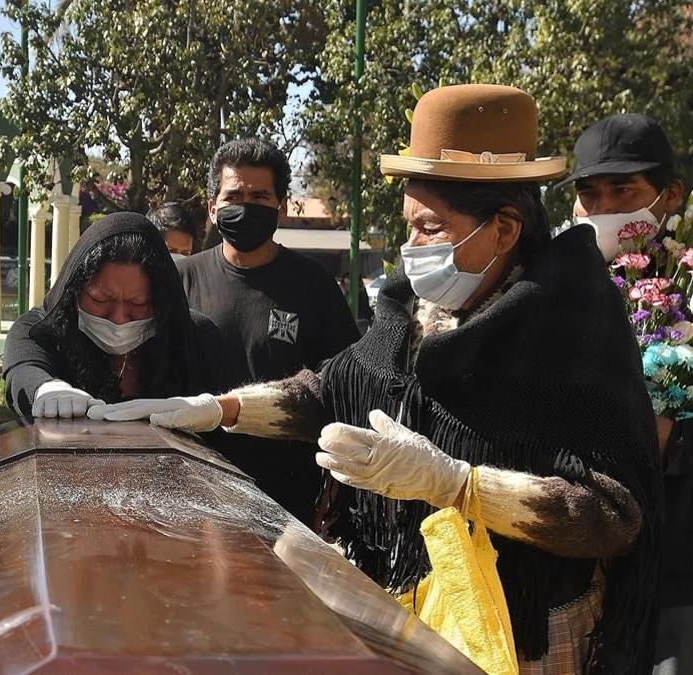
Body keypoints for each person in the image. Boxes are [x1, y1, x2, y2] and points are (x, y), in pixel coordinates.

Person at [99, 85, 661, 672]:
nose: (410, 248)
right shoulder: (405, 313)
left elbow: (610, 514)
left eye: (430, 228)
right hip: (412, 609)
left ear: (504, 229)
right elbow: (328, 390)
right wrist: (222, 409)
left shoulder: (572, 325)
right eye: (408, 226)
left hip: (527, 635)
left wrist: (457, 485)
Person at [558, 113, 690, 675]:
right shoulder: (560, 290)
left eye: (624, 189)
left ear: (671, 195)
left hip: (678, 564)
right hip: (583, 565)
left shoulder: (681, 288)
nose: (606, 207)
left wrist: (667, 433)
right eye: (590, 193)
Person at [172, 137, 360, 524]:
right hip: (193, 492)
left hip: (287, 500)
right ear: (212, 208)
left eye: (260, 197)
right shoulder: (179, 280)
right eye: (234, 196)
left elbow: (343, 383)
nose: (245, 207)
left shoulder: (313, 285)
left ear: (282, 207)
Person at [3, 211, 238, 419]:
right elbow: (23, 370)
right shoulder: (40, 330)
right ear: (74, 292)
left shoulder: (197, 337)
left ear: (160, 301)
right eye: (100, 300)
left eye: (139, 303)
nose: (118, 319)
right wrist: (46, 389)